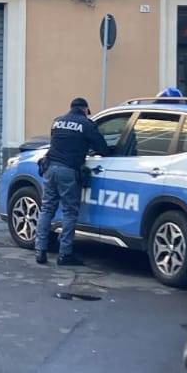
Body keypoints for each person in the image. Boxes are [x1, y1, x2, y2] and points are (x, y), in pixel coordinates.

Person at [33, 96, 111, 266]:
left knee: (47, 209)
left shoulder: (57, 122)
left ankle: (40, 250)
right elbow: (102, 148)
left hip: (50, 168)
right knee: (69, 211)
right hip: (68, 171)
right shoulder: (86, 124)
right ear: (85, 109)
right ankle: (65, 254)